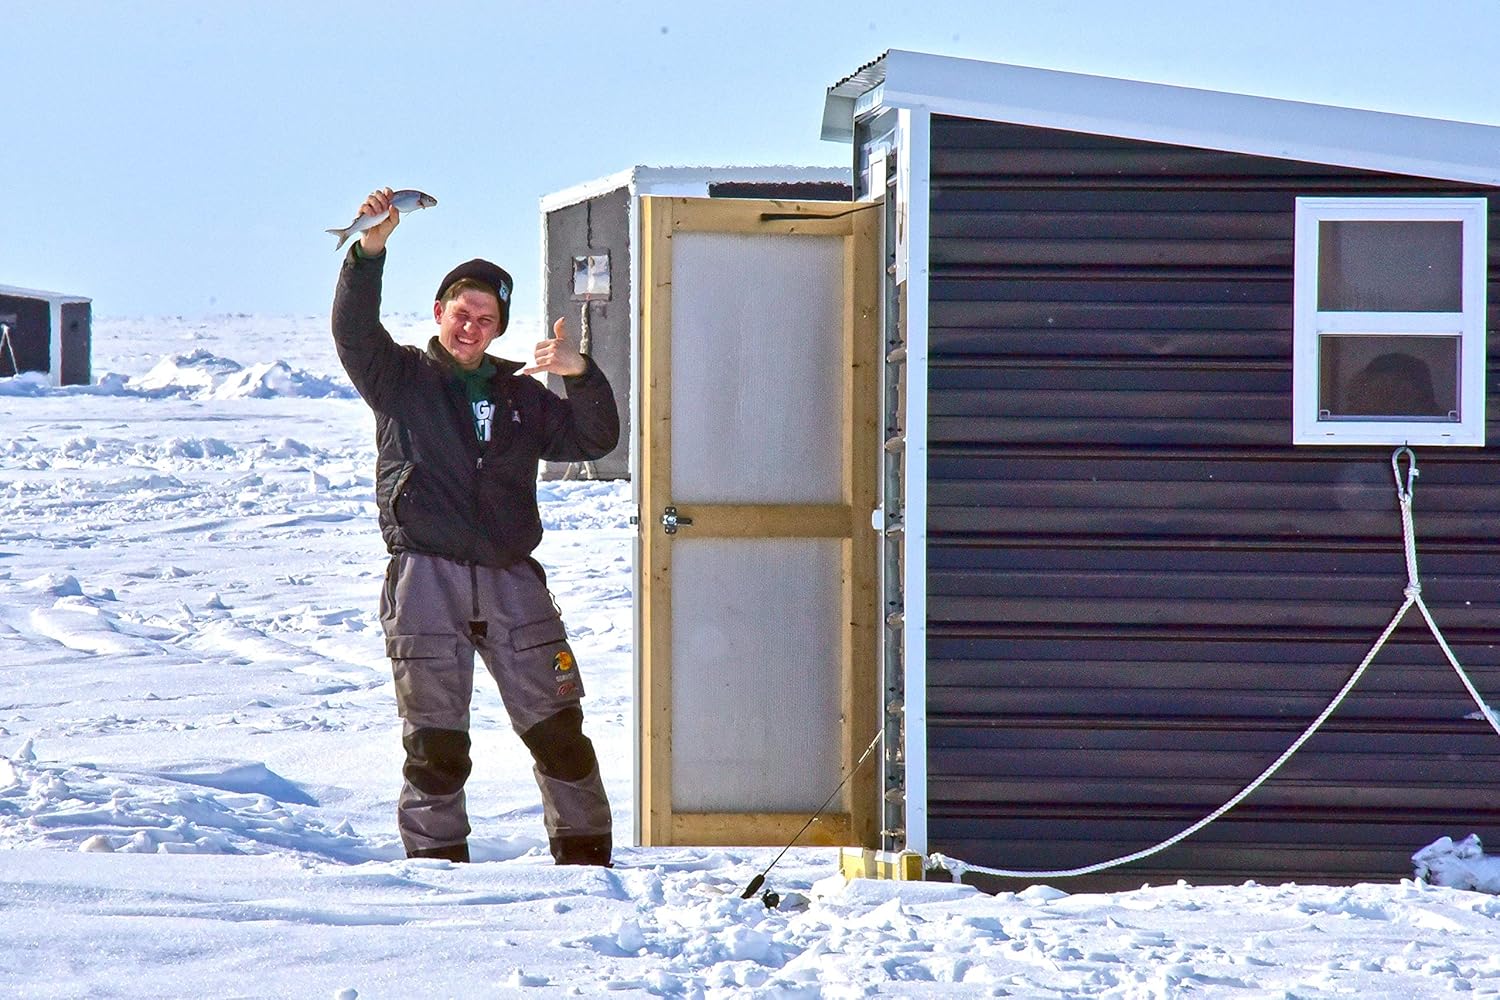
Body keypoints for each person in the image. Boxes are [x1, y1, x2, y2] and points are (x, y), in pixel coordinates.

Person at [331, 187, 618, 865]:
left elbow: (595, 437)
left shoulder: (521, 394)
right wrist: (370, 248)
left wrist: (579, 374)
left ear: (498, 328)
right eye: (463, 313)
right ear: (440, 313)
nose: (472, 326)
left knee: (559, 731)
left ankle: (585, 864)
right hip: (425, 578)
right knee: (435, 744)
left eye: (486, 319)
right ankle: (438, 872)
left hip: (513, 581)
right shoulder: (400, 378)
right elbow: (352, 330)